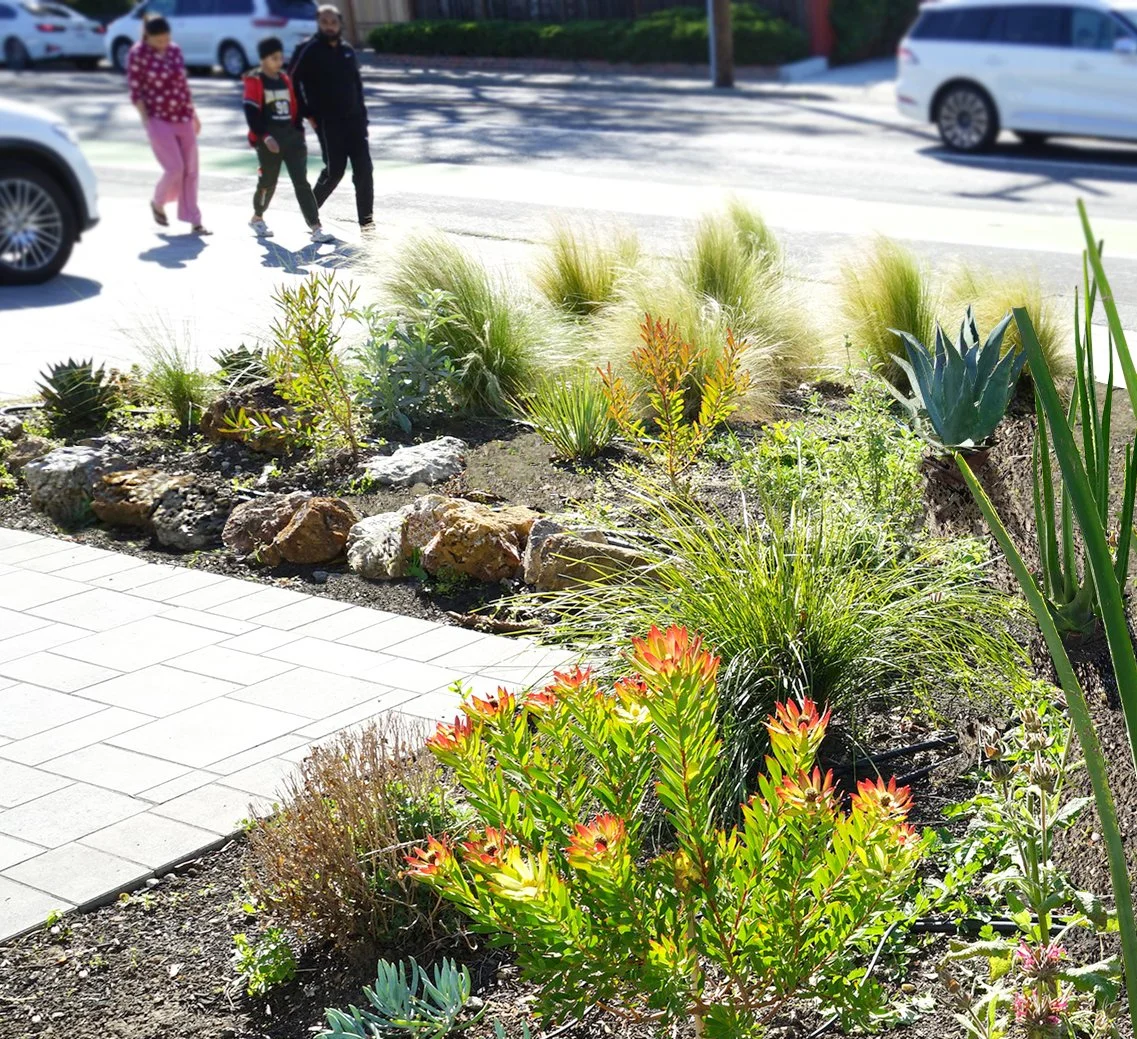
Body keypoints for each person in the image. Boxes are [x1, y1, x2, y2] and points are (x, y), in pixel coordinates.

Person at [288, 5, 374, 232]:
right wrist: (306, 112)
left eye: (333, 22)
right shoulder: (308, 49)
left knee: (364, 169)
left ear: (340, 24)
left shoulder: (347, 50)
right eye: (324, 22)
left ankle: (367, 223)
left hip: (355, 120)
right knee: (335, 171)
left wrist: (363, 118)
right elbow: (292, 81)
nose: (329, 26)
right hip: (328, 121)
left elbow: (357, 85)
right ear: (318, 23)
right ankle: (311, 210)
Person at [243, 37, 334, 243]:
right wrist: (265, 138)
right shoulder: (255, 81)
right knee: (268, 181)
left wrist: (304, 125)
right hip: (268, 140)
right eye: (274, 58)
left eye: (280, 57)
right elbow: (251, 114)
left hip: (291, 138)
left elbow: (296, 107)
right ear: (264, 59)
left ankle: (316, 227)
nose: (279, 61)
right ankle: (258, 217)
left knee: (301, 182)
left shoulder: (284, 80)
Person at [127, 16, 209, 235]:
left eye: (167, 38)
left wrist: (195, 115)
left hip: (183, 115)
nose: (164, 43)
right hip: (158, 118)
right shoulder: (138, 54)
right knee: (175, 168)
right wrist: (146, 121)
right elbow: (136, 91)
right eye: (159, 40)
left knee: (191, 170)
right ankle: (158, 202)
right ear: (148, 37)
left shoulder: (174, 50)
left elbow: (183, 84)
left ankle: (195, 221)